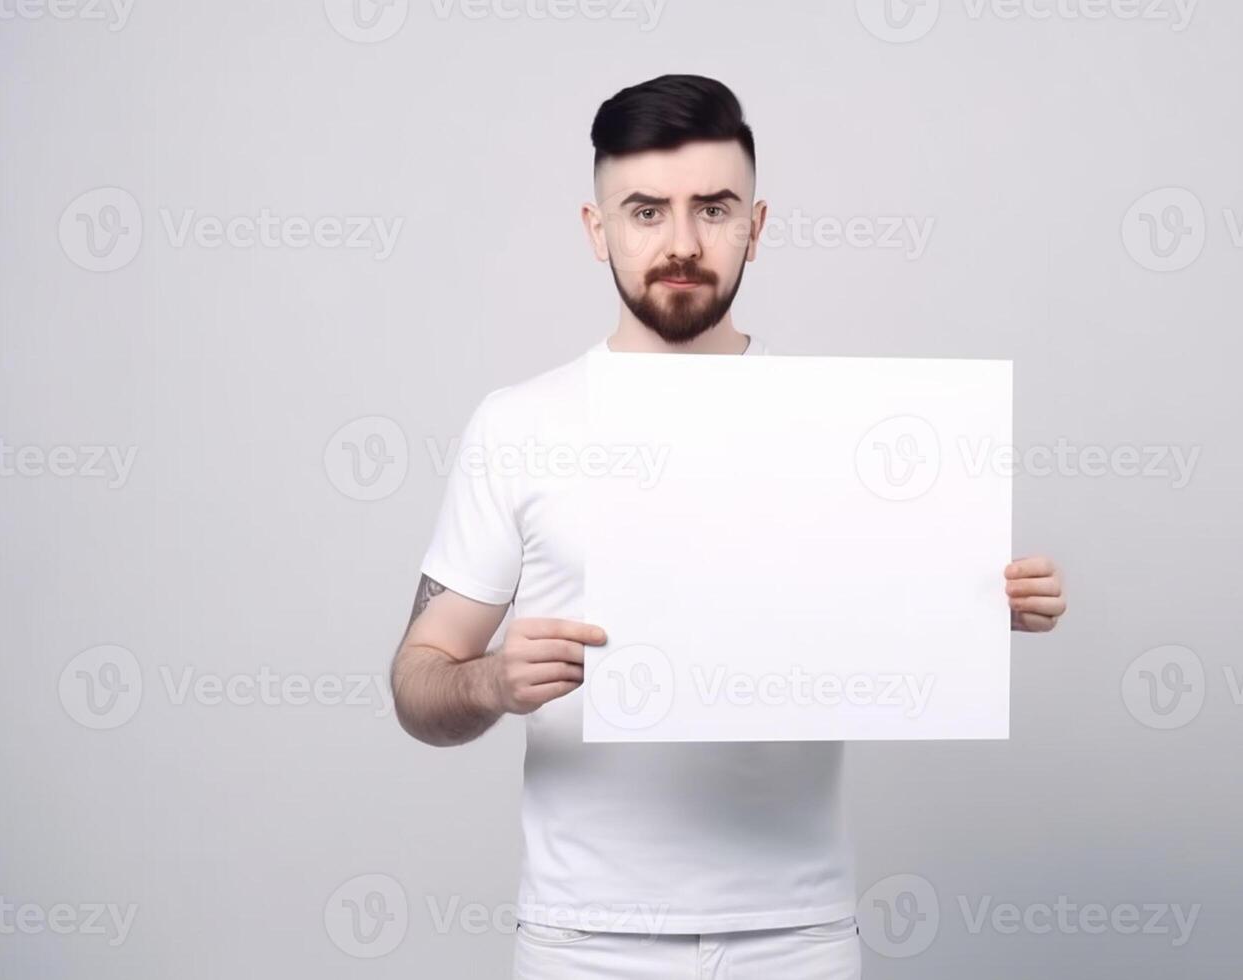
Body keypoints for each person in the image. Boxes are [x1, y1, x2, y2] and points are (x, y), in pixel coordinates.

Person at [389, 73, 1067, 980]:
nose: (681, 244)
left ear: (756, 224)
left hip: (797, 936)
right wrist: (493, 683)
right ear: (598, 232)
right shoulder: (519, 425)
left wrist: (984, 600)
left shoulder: (848, 431)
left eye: (713, 209)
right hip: (587, 941)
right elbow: (418, 682)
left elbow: (883, 613)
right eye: (645, 211)